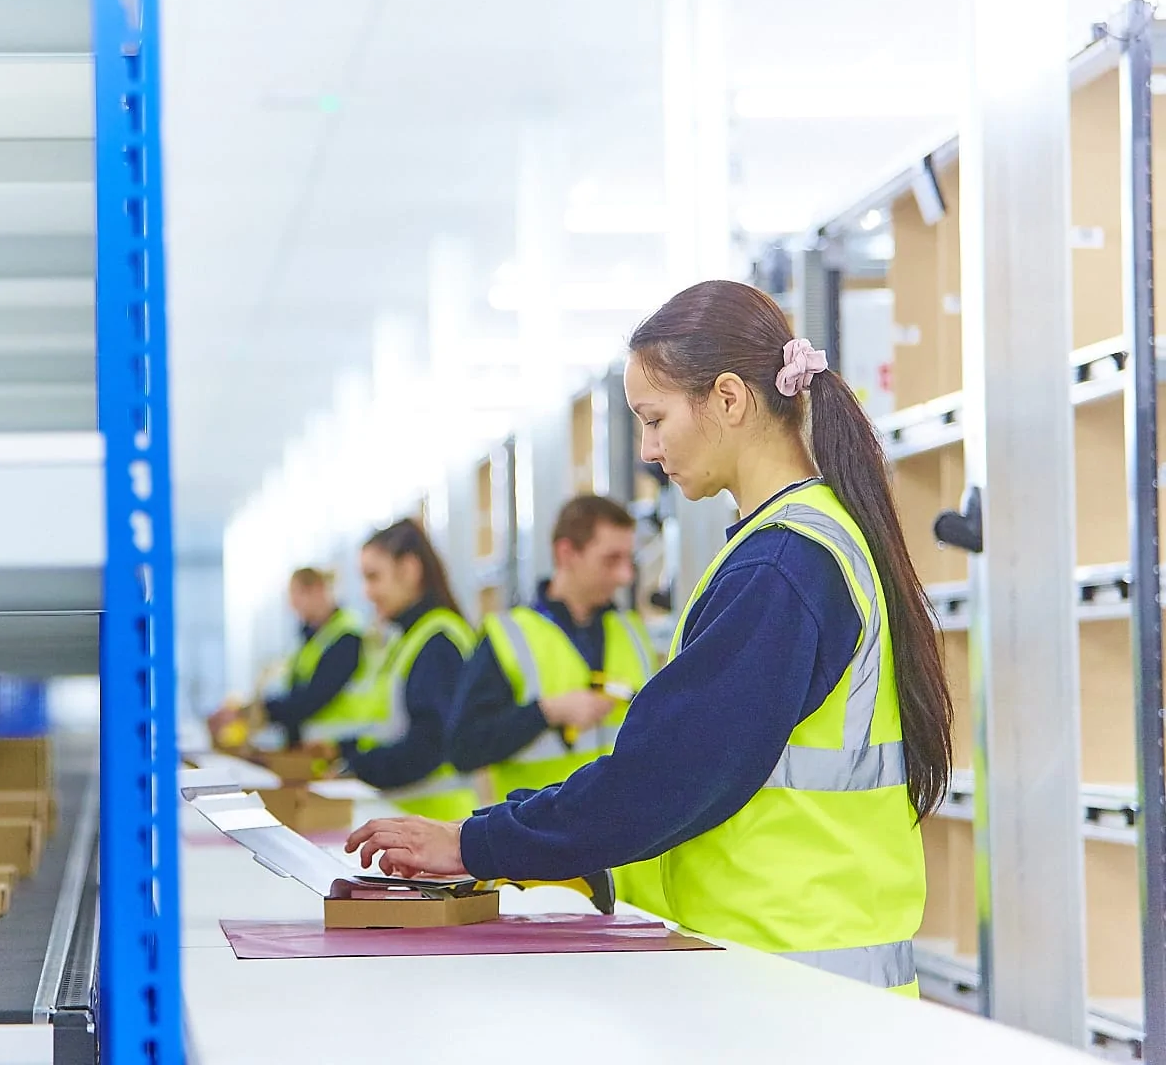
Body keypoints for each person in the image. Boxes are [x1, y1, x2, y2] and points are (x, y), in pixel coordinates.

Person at [345, 280, 954, 997]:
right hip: (787, 975)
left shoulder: (783, 564)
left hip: (790, 989)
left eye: (656, 418)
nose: (649, 448)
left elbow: (670, 774)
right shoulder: (794, 546)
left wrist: (474, 842)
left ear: (729, 399)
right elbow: (704, 775)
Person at [444, 493, 667, 914]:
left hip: (638, 873)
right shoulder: (506, 637)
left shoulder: (634, 631)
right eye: (610, 559)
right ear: (567, 553)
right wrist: (546, 712)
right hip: (548, 876)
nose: (624, 575)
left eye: (628, 560)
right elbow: (463, 747)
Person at [321, 517, 478, 820]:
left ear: (409, 569)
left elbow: (428, 746)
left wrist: (355, 769)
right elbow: (389, 730)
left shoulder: (438, 643)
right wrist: (344, 750)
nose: (367, 592)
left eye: (373, 577)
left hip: (436, 822)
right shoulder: (407, 640)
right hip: (409, 821)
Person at [207, 567, 369, 749]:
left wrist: (256, 711)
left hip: (336, 749)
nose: (292, 604)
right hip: (310, 747)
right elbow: (292, 691)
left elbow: (311, 698)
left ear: (318, 590)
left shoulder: (346, 637)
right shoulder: (313, 639)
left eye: (297, 594)